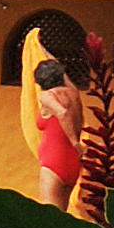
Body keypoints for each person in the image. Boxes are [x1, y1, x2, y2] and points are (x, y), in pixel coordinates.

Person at [31, 57, 83, 210]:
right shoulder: (74, 93)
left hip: (54, 161)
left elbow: (63, 113)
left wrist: (76, 142)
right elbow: (65, 78)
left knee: (50, 220)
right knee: (62, 217)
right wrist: (49, 56)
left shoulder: (47, 97)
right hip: (72, 161)